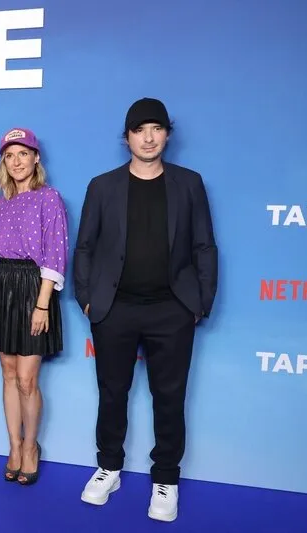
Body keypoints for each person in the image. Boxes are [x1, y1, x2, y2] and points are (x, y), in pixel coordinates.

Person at [73, 97, 218, 522]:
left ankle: (166, 478)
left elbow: (204, 245)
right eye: (140, 130)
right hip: (114, 309)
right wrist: (87, 297)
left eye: (156, 128)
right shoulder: (102, 186)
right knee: (112, 393)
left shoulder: (189, 183)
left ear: (167, 134)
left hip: (172, 310)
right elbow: (85, 247)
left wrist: (200, 303)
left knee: (169, 397)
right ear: (128, 138)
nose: (149, 137)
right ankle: (109, 467)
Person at [0, 128, 68, 486]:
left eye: (23, 154)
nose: (17, 162)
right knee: (8, 374)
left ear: (35, 159)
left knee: (28, 379)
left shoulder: (50, 198)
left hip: (34, 286)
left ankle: (31, 446)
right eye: (9, 156)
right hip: (2, 286)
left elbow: (56, 253)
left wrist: (42, 305)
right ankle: (13, 446)